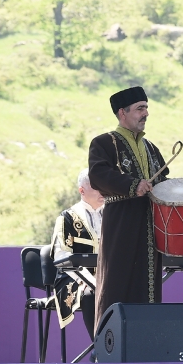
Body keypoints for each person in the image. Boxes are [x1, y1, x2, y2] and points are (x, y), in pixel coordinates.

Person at [88, 87, 173, 326]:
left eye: (146, 108)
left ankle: (145, 340)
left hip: (150, 227)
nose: (145, 113)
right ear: (122, 113)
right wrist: (133, 185)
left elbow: (161, 181)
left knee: (147, 286)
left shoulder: (151, 147)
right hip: (121, 224)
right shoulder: (104, 143)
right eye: (139, 109)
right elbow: (98, 175)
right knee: (117, 283)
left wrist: (181, 186)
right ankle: (110, 341)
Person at [51, 168, 103, 343]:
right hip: (75, 278)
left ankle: (122, 348)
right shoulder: (67, 217)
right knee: (91, 293)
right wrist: (88, 279)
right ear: (82, 190)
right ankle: (99, 347)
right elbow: (61, 256)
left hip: (108, 277)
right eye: (96, 187)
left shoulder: (113, 215)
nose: (102, 191)